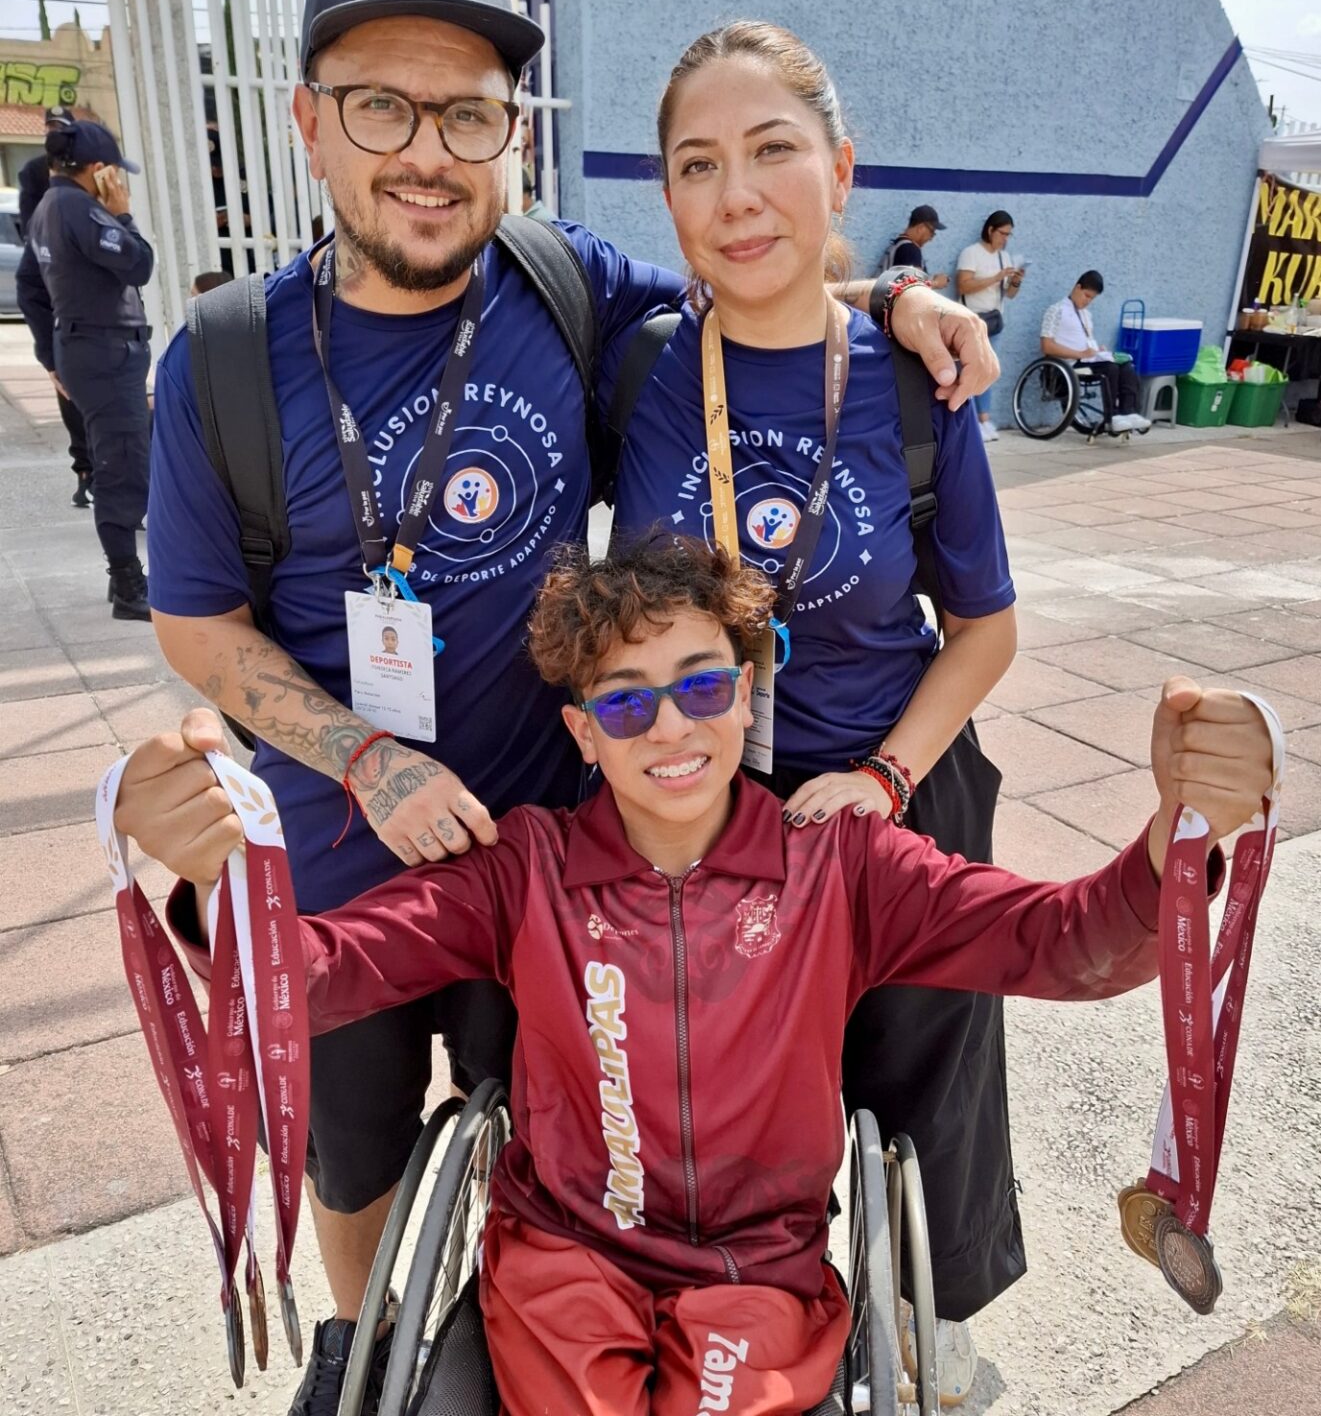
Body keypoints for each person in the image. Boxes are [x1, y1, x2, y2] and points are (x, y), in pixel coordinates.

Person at [142, 0, 996, 1416]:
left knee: (560, 1144)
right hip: (343, 854)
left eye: (468, 114)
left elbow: (760, 299)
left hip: (543, 852)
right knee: (353, 1153)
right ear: (309, 124)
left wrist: (896, 301)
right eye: (381, 107)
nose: (426, 153)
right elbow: (196, 624)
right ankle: (385, 1369)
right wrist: (363, 755)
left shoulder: (559, 288)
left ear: (509, 139)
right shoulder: (219, 358)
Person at [112, 537, 1275, 1416]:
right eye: (624, 700)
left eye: (702, 684)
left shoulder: (843, 863)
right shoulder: (525, 868)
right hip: (562, 1254)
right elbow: (316, 977)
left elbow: (1067, 942)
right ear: (582, 735)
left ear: (745, 693)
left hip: (758, 1275)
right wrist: (222, 884)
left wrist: (1184, 836)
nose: (669, 725)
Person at [604, 20, 1017, 1403]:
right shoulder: (641, 371)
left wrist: (891, 780)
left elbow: (986, 630)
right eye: (698, 164)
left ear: (839, 172)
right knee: (719, 1110)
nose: (737, 197)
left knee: (930, 1079)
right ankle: (735, 1322)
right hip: (697, 789)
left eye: (774, 151)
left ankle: (932, 1316)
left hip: (886, 780)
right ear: (666, 199)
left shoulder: (916, 378)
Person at [16, 119, 153, 617]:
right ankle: (129, 585)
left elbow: (29, 285)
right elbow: (138, 265)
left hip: (87, 352)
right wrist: (125, 216)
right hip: (104, 354)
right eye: (115, 172)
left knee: (118, 458)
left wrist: (51, 356)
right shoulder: (82, 210)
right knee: (123, 465)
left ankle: (125, 579)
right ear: (97, 171)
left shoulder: (47, 207)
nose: (119, 181)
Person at [17, 106, 95, 510]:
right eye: (51, 130)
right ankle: (85, 471)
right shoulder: (34, 175)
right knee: (69, 390)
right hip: (58, 303)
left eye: (63, 131)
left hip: (101, 318)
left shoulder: (90, 173)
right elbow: (32, 248)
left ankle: (113, 478)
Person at [1040, 270, 1151, 435]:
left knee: (1126, 364)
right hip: (1067, 364)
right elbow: (1047, 346)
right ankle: (1112, 416)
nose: (1088, 301)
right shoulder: (1056, 310)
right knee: (1110, 368)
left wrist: (1097, 351)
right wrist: (1081, 354)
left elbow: (1086, 343)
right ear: (1077, 287)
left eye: (1092, 298)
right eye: (1086, 295)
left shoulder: (1086, 315)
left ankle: (1128, 412)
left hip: (1087, 359)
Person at [956, 211, 1025, 442]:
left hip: (994, 322)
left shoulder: (1004, 258)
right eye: (1002, 233)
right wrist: (996, 277)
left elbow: (1010, 295)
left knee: (988, 370)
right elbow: (963, 286)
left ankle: (984, 420)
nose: (1005, 239)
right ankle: (976, 421)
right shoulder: (971, 253)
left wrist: (1015, 281)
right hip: (972, 320)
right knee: (971, 369)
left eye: (1009, 235)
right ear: (990, 230)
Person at [878, 203, 949, 287]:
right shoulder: (910, 249)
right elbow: (916, 287)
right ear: (920, 228)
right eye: (932, 232)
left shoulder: (899, 244)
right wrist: (937, 283)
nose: (931, 238)